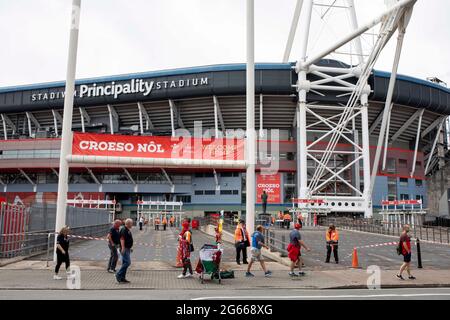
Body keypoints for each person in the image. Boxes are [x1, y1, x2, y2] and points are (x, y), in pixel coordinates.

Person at [116, 218, 134, 284]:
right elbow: (122, 239)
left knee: (125, 263)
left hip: (127, 248)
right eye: (131, 223)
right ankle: (118, 274)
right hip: (125, 248)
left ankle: (122, 278)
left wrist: (130, 247)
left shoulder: (127, 230)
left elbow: (127, 239)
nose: (132, 224)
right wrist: (123, 247)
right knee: (127, 262)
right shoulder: (124, 230)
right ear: (128, 224)